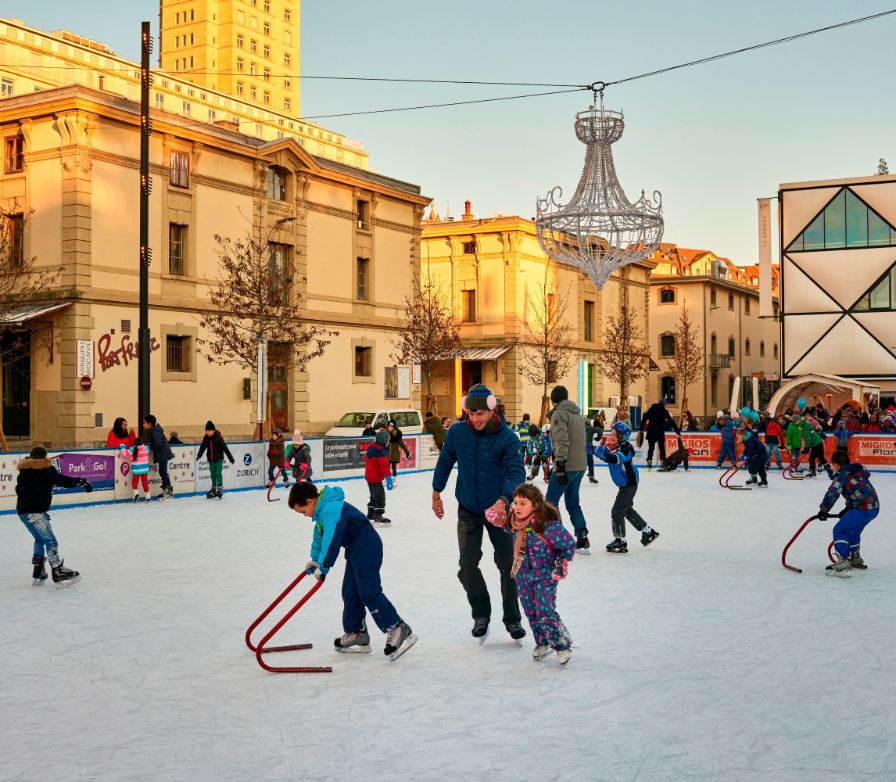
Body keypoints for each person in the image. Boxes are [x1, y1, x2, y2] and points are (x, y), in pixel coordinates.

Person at [431, 383, 526, 643]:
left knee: (508, 565)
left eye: (480, 413)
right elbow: (445, 461)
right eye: (471, 413)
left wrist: (503, 501)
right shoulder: (457, 432)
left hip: (499, 511)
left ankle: (513, 619)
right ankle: (481, 614)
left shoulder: (508, 438)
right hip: (468, 508)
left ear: (492, 410)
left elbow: (517, 473)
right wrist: (436, 492)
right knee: (467, 564)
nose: (475, 418)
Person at [288, 481, 416, 660]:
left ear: (309, 501)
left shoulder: (331, 508)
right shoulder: (321, 512)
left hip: (367, 545)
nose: (304, 515)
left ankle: (397, 626)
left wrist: (324, 566)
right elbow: (320, 538)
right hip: (355, 549)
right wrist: (316, 560)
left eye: (302, 511)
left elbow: (332, 538)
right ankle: (357, 633)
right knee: (350, 591)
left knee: (368, 591)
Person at [486, 483, 575, 665]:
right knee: (531, 612)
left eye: (523, 503)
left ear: (535, 505)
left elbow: (567, 545)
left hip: (544, 576)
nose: (517, 507)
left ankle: (561, 645)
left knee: (544, 611)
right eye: (516, 503)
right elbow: (496, 519)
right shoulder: (515, 522)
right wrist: (496, 509)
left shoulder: (548, 526)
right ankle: (542, 642)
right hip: (523, 575)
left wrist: (560, 563)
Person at [16, 445, 92, 586]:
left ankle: (38, 569)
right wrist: (82, 481)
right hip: (36, 513)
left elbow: (18, 490)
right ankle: (58, 572)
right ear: (44, 457)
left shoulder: (24, 471)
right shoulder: (47, 470)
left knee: (39, 539)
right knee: (51, 542)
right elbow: (64, 481)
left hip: (22, 512)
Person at [595, 422, 659, 554]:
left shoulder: (626, 448)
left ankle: (620, 541)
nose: (612, 436)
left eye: (615, 434)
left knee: (617, 511)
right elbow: (606, 453)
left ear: (622, 436)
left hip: (629, 484)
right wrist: (598, 448)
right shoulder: (615, 446)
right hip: (625, 484)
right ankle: (648, 532)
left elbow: (615, 459)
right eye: (611, 433)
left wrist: (601, 454)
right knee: (626, 510)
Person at [818, 451, 880, 577]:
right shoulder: (857, 471)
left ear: (836, 465)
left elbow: (832, 494)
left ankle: (843, 562)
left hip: (862, 509)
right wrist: (847, 509)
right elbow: (859, 491)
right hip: (874, 508)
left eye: (833, 465)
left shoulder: (842, 475)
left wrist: (823, 510)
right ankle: (855, 557)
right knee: (854, 531)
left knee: (840, 530)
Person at [544, 385, 591, 554]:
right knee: (572, 502)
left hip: (567, 465)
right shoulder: (577, 414)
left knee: (550, 502)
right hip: (580, 465)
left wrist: (560, 464)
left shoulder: (559, 414)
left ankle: (560, 539)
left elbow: (562, 441)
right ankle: (582, 537)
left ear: (553, 400)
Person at [197, 420, 236, 499]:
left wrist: (231, 458)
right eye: (207, 431)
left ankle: (220, 488)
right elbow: (202, 447)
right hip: (210, 460)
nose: (208, 432)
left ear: (213, 431)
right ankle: (214, 487)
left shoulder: (218, 438)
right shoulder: (206, 438)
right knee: (212, 474)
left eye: (209, 431)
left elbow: (225, 448)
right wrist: (199, 455)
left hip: (219, 459)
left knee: (218, 474)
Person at [640, 399, 680, 469]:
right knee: (661, 448)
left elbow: (644, 419)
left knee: (651, 448)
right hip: (659, 432)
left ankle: (649, 461)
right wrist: (677, 431)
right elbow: (671, 421)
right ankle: (663, 463)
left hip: (651, 432)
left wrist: (640, 429)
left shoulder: (651, 409)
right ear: (664, 404)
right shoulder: (664, 411)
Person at [364, 426, 392, 526]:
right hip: (375, 478)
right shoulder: (381, 452)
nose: (388, 442)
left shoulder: (371, 448)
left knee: (373, 496)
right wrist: (388, 478)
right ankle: (378, 515)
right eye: (388, 440)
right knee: (380, 497)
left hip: (369, 477)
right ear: (384, 441)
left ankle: (371, 514)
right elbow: (384, 466)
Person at [142, 414, 174, 499]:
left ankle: (168, 492)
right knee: (162, 471)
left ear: (150, 423)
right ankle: (167, 490)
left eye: (144, 423)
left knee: (163, 471)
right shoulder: (155, 430)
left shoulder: (155, 431)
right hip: (163, 453)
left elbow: (158, 444)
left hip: (163, 454)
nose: (143, 425)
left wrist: (150, 445)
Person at [119, 437, 151, 502]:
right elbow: (150, 445)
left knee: (134, 482)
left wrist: (122, 446)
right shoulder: (146, 448)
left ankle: (136, 493)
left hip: (136, 469)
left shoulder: (132, 449)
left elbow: (124, 453)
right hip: (144, 469)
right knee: (145, 482)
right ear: (143, 442)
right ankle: (148, 496)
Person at [741, 419, 769, 487]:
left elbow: (750, 449)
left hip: (760, 454)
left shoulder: (749, 438)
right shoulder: (746, 439)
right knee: (758, 467)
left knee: (753, 465)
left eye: (739, 437)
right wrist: (744, 454)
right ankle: (763, 481)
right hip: (759, 453)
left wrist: (747, 457)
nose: (738, 439)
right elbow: (747, 449)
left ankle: (754, 480)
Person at [386, 419, 411, 486]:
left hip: (394, 454)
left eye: (391, 426)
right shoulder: (386, 434)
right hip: (387, 454)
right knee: (386, 468)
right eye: (388, 426)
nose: (389, 428)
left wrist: (407, 452)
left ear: (394, 427)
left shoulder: (397, 436)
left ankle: (394, 481)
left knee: (394, 468)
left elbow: (402, 445)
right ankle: (388, 481)